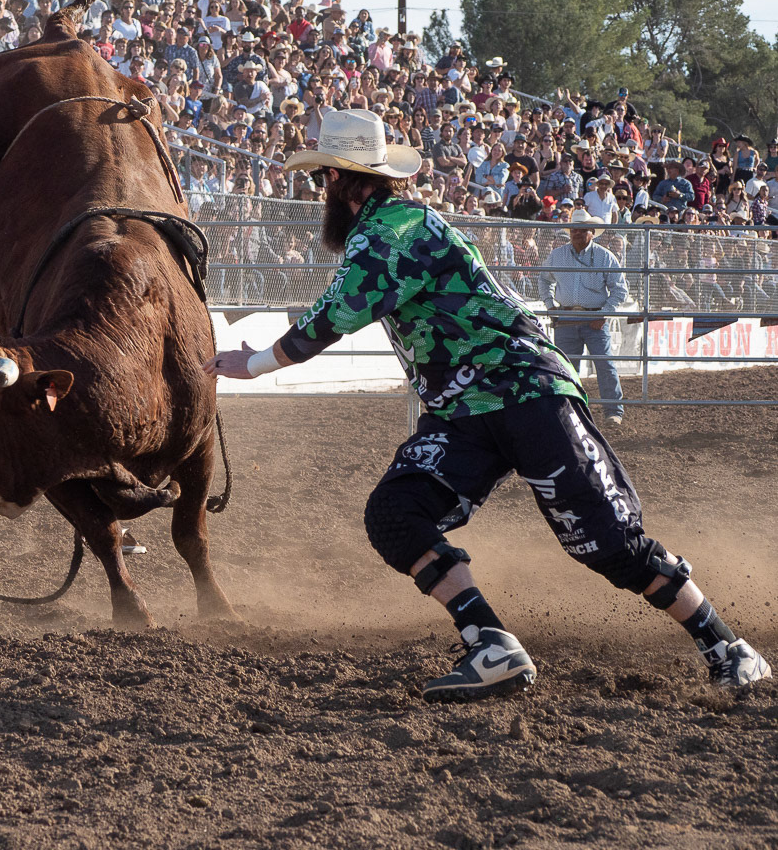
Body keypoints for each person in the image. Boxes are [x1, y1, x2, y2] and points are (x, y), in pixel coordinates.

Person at [205, 109, 770, 701]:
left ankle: (728, 647)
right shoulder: (392, 227)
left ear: (342, 181)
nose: (319, 189)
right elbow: (341, 305)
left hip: (524, 389)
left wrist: (256, 362)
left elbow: (334, 316)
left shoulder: (389, 231)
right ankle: (490, 644)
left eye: (322, 175)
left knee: (610, 543)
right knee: (396, 515)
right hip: (467, 407)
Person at [540, 209, 628, 424]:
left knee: (604, 365)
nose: (576, 233)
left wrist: (604, 313)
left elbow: (620, 290)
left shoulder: (605, 256)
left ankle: (613, 411)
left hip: (594, 318)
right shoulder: (557, 255)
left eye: (581, 229)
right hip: (567, 317)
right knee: (566, 367)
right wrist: (551, 306)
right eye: (573, 229)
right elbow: (544, 280)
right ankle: (570, 410)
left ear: (591, 232)